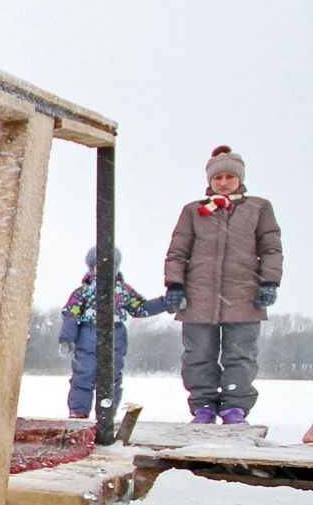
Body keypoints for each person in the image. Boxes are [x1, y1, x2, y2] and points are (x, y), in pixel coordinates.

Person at [164, 145, 283, 424]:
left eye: (229, 176)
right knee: (198, 355)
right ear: (210, 181)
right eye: (218, 178)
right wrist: (175, 284)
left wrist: (269, 281)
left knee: (240, 355)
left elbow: (271, 249)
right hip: (198, 298)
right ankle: (203, 405)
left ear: (239, 178)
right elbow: (178, 251)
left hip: (244, 296)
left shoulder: (258, 208)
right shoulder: (193, 211)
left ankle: (235, 406)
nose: (224, 182)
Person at [57, 248, 167, 419]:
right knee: (83, 375)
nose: (103, 271)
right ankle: (78, 412)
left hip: (115, 336)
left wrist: (165, 303)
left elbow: (140, 308)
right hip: (88, 335)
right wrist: (67, 339)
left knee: (111, 377)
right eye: (98, 267)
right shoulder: (83, 292)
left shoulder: (123, 291)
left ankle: (106, 413)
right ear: (91, 268)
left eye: (109, 266)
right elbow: (71, 315)